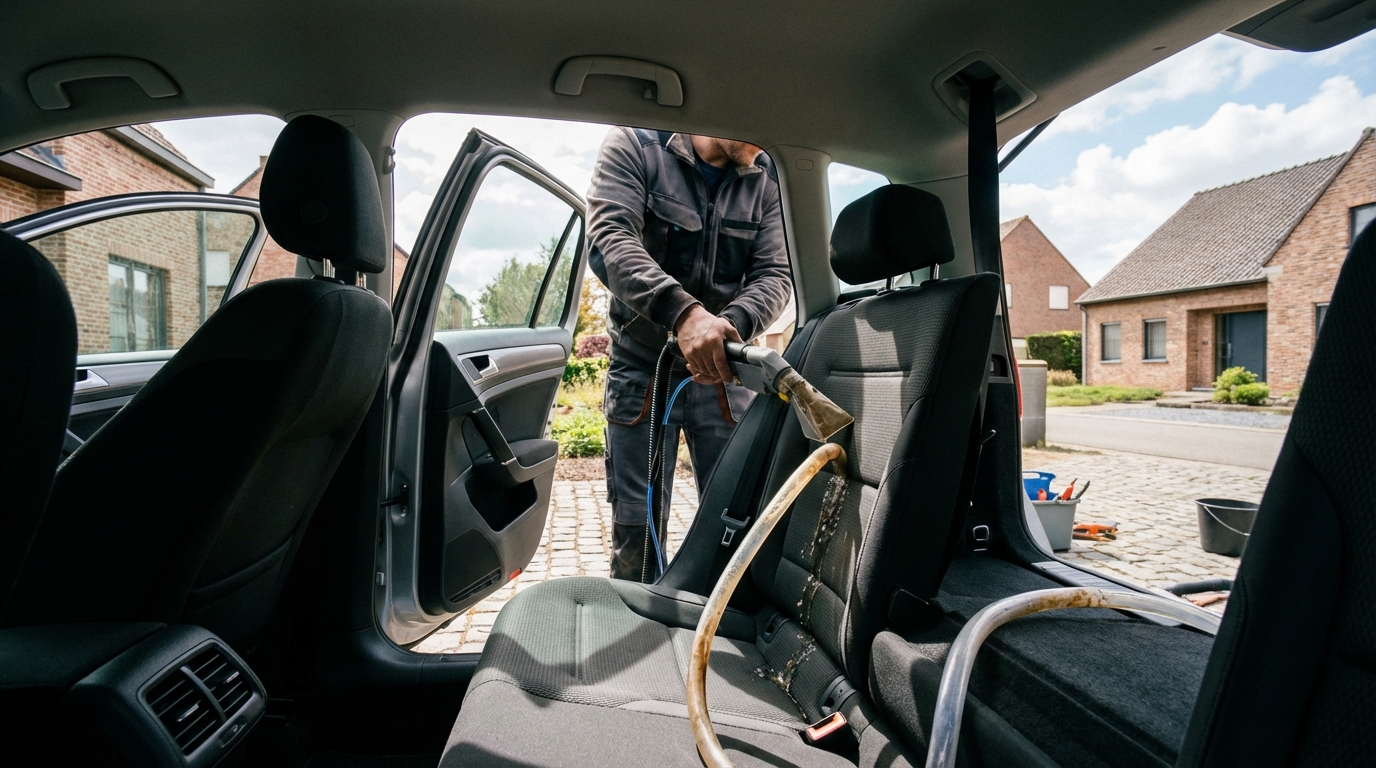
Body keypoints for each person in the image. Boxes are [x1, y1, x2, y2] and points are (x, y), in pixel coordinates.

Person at [587, 128, 791, 582]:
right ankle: (639, 632)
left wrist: (723, 329)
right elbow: (610, 239)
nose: (762, 143)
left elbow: (776, 274)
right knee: (635, 533)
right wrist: (685, 316)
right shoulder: (634, 147)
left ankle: (715, 636)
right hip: (641, 371)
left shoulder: (768, 175)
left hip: (726, 371)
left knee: (737, 525)